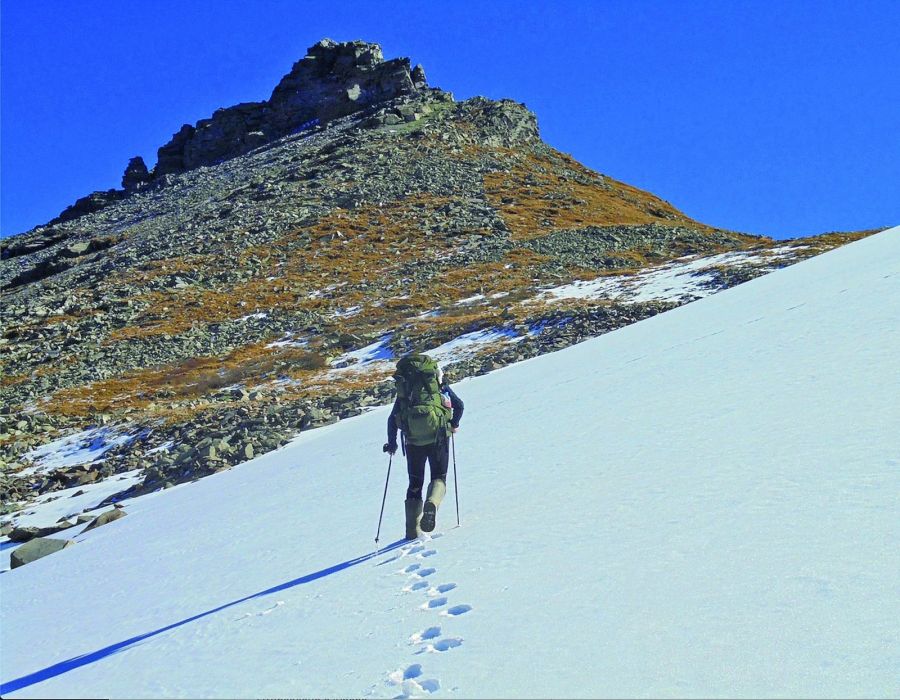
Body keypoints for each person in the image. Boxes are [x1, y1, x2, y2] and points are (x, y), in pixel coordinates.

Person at [384, 356, 464, 538]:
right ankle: (432, 503)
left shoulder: (405, 393)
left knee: (414, 484)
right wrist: (453, 423)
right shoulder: (439, 387)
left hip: (412, 441)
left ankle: (412, 532)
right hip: (439, 438)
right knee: (438, 476)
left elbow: (392, 419)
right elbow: (459, 406)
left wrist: (392, 443)